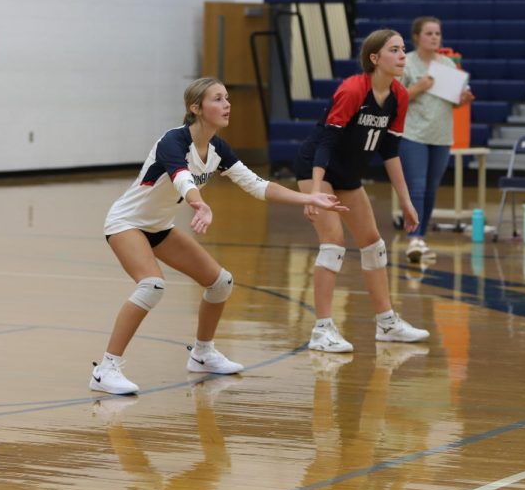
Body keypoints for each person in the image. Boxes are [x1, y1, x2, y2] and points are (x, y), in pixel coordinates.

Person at [91, 77, 346, 395]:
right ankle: (106, 369)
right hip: (126, 223)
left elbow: (257, 185)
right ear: (195, 108)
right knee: (151, 285)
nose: (227, 104)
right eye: (218, 99)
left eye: (227, 97)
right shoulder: (173, 141)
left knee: (220, 282)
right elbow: (182, 179)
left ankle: (202, 354)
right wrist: (200, 205)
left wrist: (308, 198)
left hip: (158, 228)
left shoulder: (217, 149)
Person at [293, 28, 431, 354]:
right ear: (375, 58)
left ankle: (387, 323)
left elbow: (391, 152)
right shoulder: (353, 89)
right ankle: (322, 330)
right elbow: (326, 142)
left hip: (349, 174)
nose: (401, 56)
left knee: (373, 244)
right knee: (334, 243)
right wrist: (314, 191)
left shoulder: (400, 95)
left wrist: (407, 202)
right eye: (394, 50)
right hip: (318, 168)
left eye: (402, 50)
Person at [397, 17, 473, 262]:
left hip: (441, 135)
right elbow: (394, 101)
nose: (434, 37)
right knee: (416, 187)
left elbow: (452, 101)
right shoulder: (406, 63)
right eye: (429, 33)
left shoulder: (448, 65)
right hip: (413, 134)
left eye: (437, 33)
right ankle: (414, 237)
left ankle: (421, 236)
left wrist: (463, 100)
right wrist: (418, 87)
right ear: (417, 36)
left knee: (430, 190)